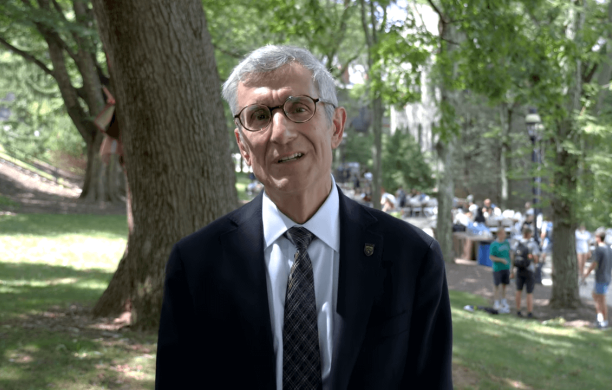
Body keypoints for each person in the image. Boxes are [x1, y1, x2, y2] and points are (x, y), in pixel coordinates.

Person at [155, 45, 453, 389]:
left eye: (299, 108)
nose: (281, 132)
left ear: (336, 127)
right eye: (259, 116)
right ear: (243, 146)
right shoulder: (195, 263)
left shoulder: (413, 257)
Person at [581, 228, 612, 328]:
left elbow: (593, 264)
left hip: (601, 278)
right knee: (595, 295)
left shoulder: (599, 250)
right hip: (606, 276)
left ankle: (604, 322)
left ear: (598, 238)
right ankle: (599, 318)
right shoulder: (608, 249)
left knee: (601, 300)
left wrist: (585, 274)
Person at [511, 225, 540, 318]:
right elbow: (536, 259)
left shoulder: (517, 243)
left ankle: (518, 310)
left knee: (518, 290)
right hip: (529, 270)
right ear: (529, 234)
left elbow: (513, 257)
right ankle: (529, 312)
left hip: (519, 270)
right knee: (529, 292)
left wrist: (512, 271)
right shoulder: (533, 244)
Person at [489, 222, 511, 313]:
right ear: (499, 234)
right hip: (497, 268)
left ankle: (504, 301)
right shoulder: (494, 244)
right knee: (496, 285)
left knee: (504, 285)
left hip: (506, 268)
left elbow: (510, 254)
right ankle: (496, 301)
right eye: (503, 233)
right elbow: (491, 257)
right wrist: (501, 260)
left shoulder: (507, 243)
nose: (505, 235)